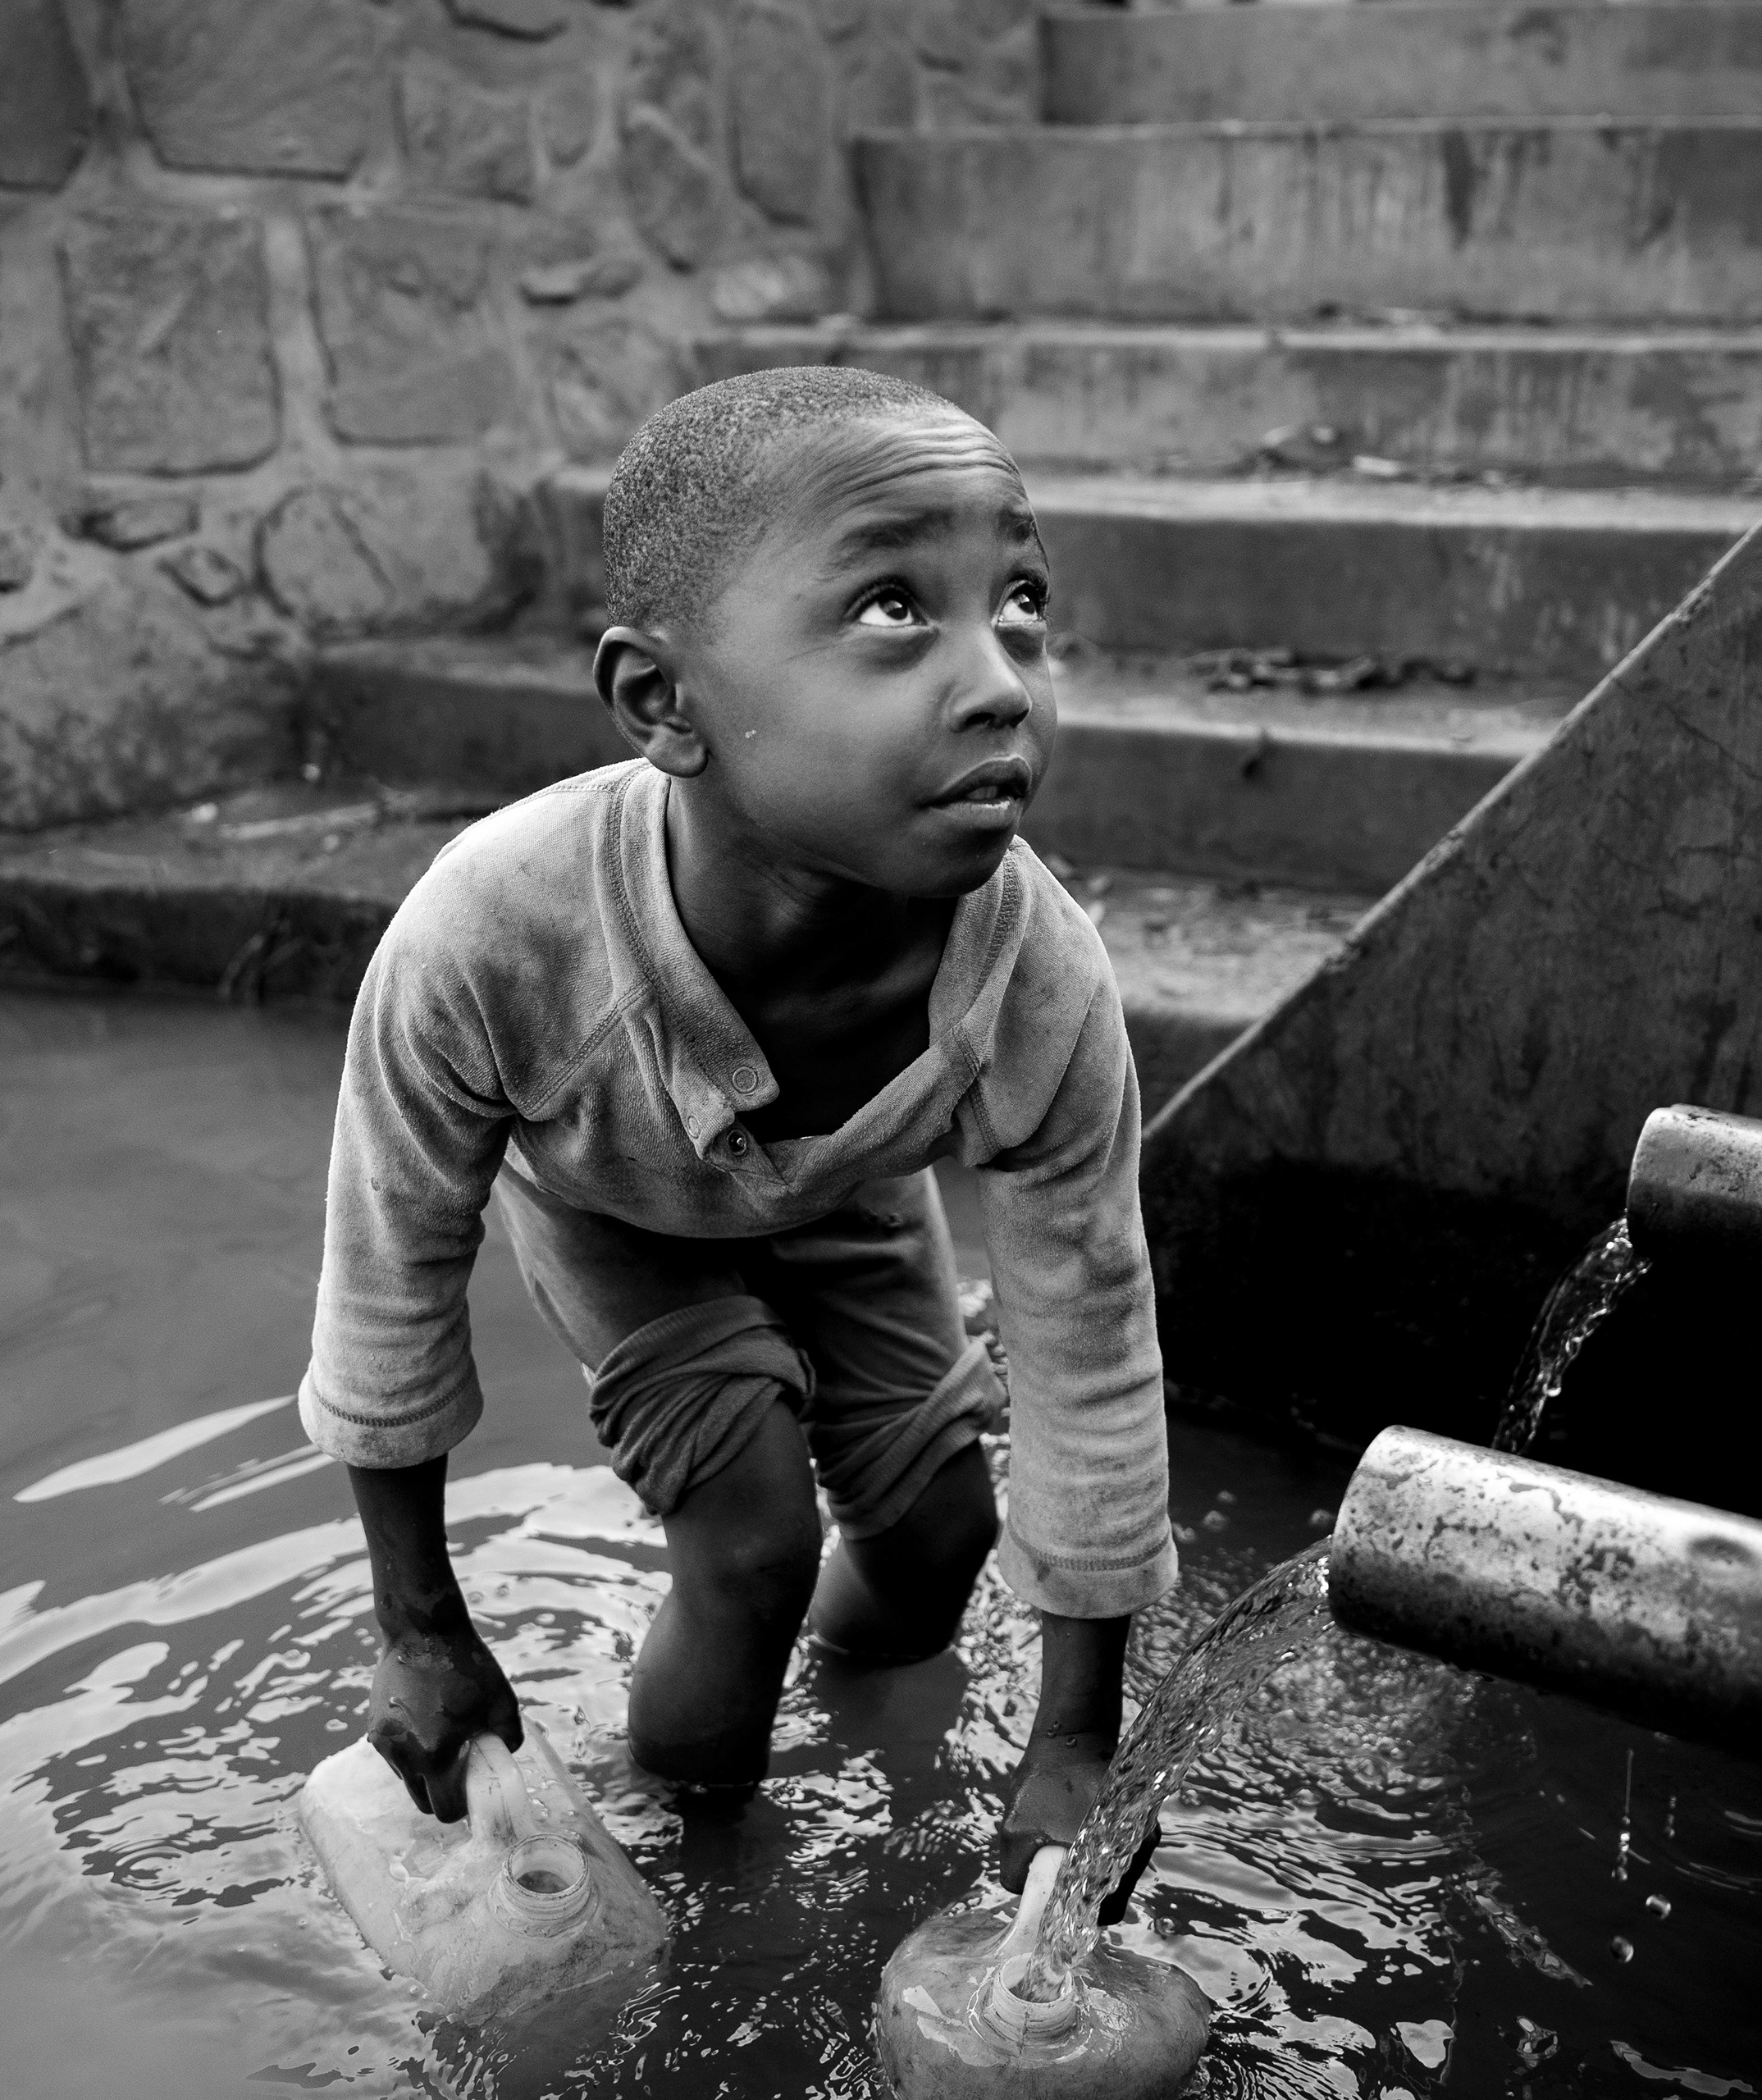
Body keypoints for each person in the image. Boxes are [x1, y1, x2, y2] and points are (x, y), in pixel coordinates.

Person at [301, 365, 1175, 1914]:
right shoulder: (497, 934)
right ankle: (711, 1886)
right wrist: (422, 1628)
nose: (1003, 682)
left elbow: (1089, 1347)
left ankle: (841, 1702)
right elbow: (389, 1279)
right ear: (664, 703)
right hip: (616, 1212)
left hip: (854, 1194)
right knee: (753, 1543)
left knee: (938, 1535)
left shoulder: (1033, 978)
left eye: (1021, 598)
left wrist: (1075, 1738)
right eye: (897, 609)